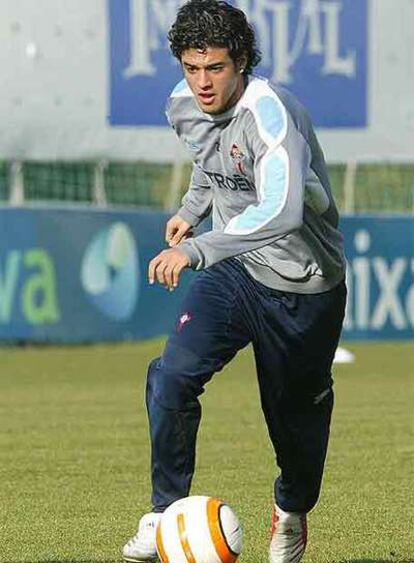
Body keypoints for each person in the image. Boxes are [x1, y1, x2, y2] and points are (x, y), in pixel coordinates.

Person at [123, 1, 346, 562]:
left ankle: (291, 509)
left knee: (293, 422)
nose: (201, 82)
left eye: (215, 68)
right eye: (191, 68)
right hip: (237, 271)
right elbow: (211, 157)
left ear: (241, 61)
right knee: (172, 375)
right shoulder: (182, 104)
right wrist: (194, 208)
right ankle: (164, 512)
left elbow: (280, 211)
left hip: (303, 284)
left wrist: (196, 248)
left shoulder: (270, 113)